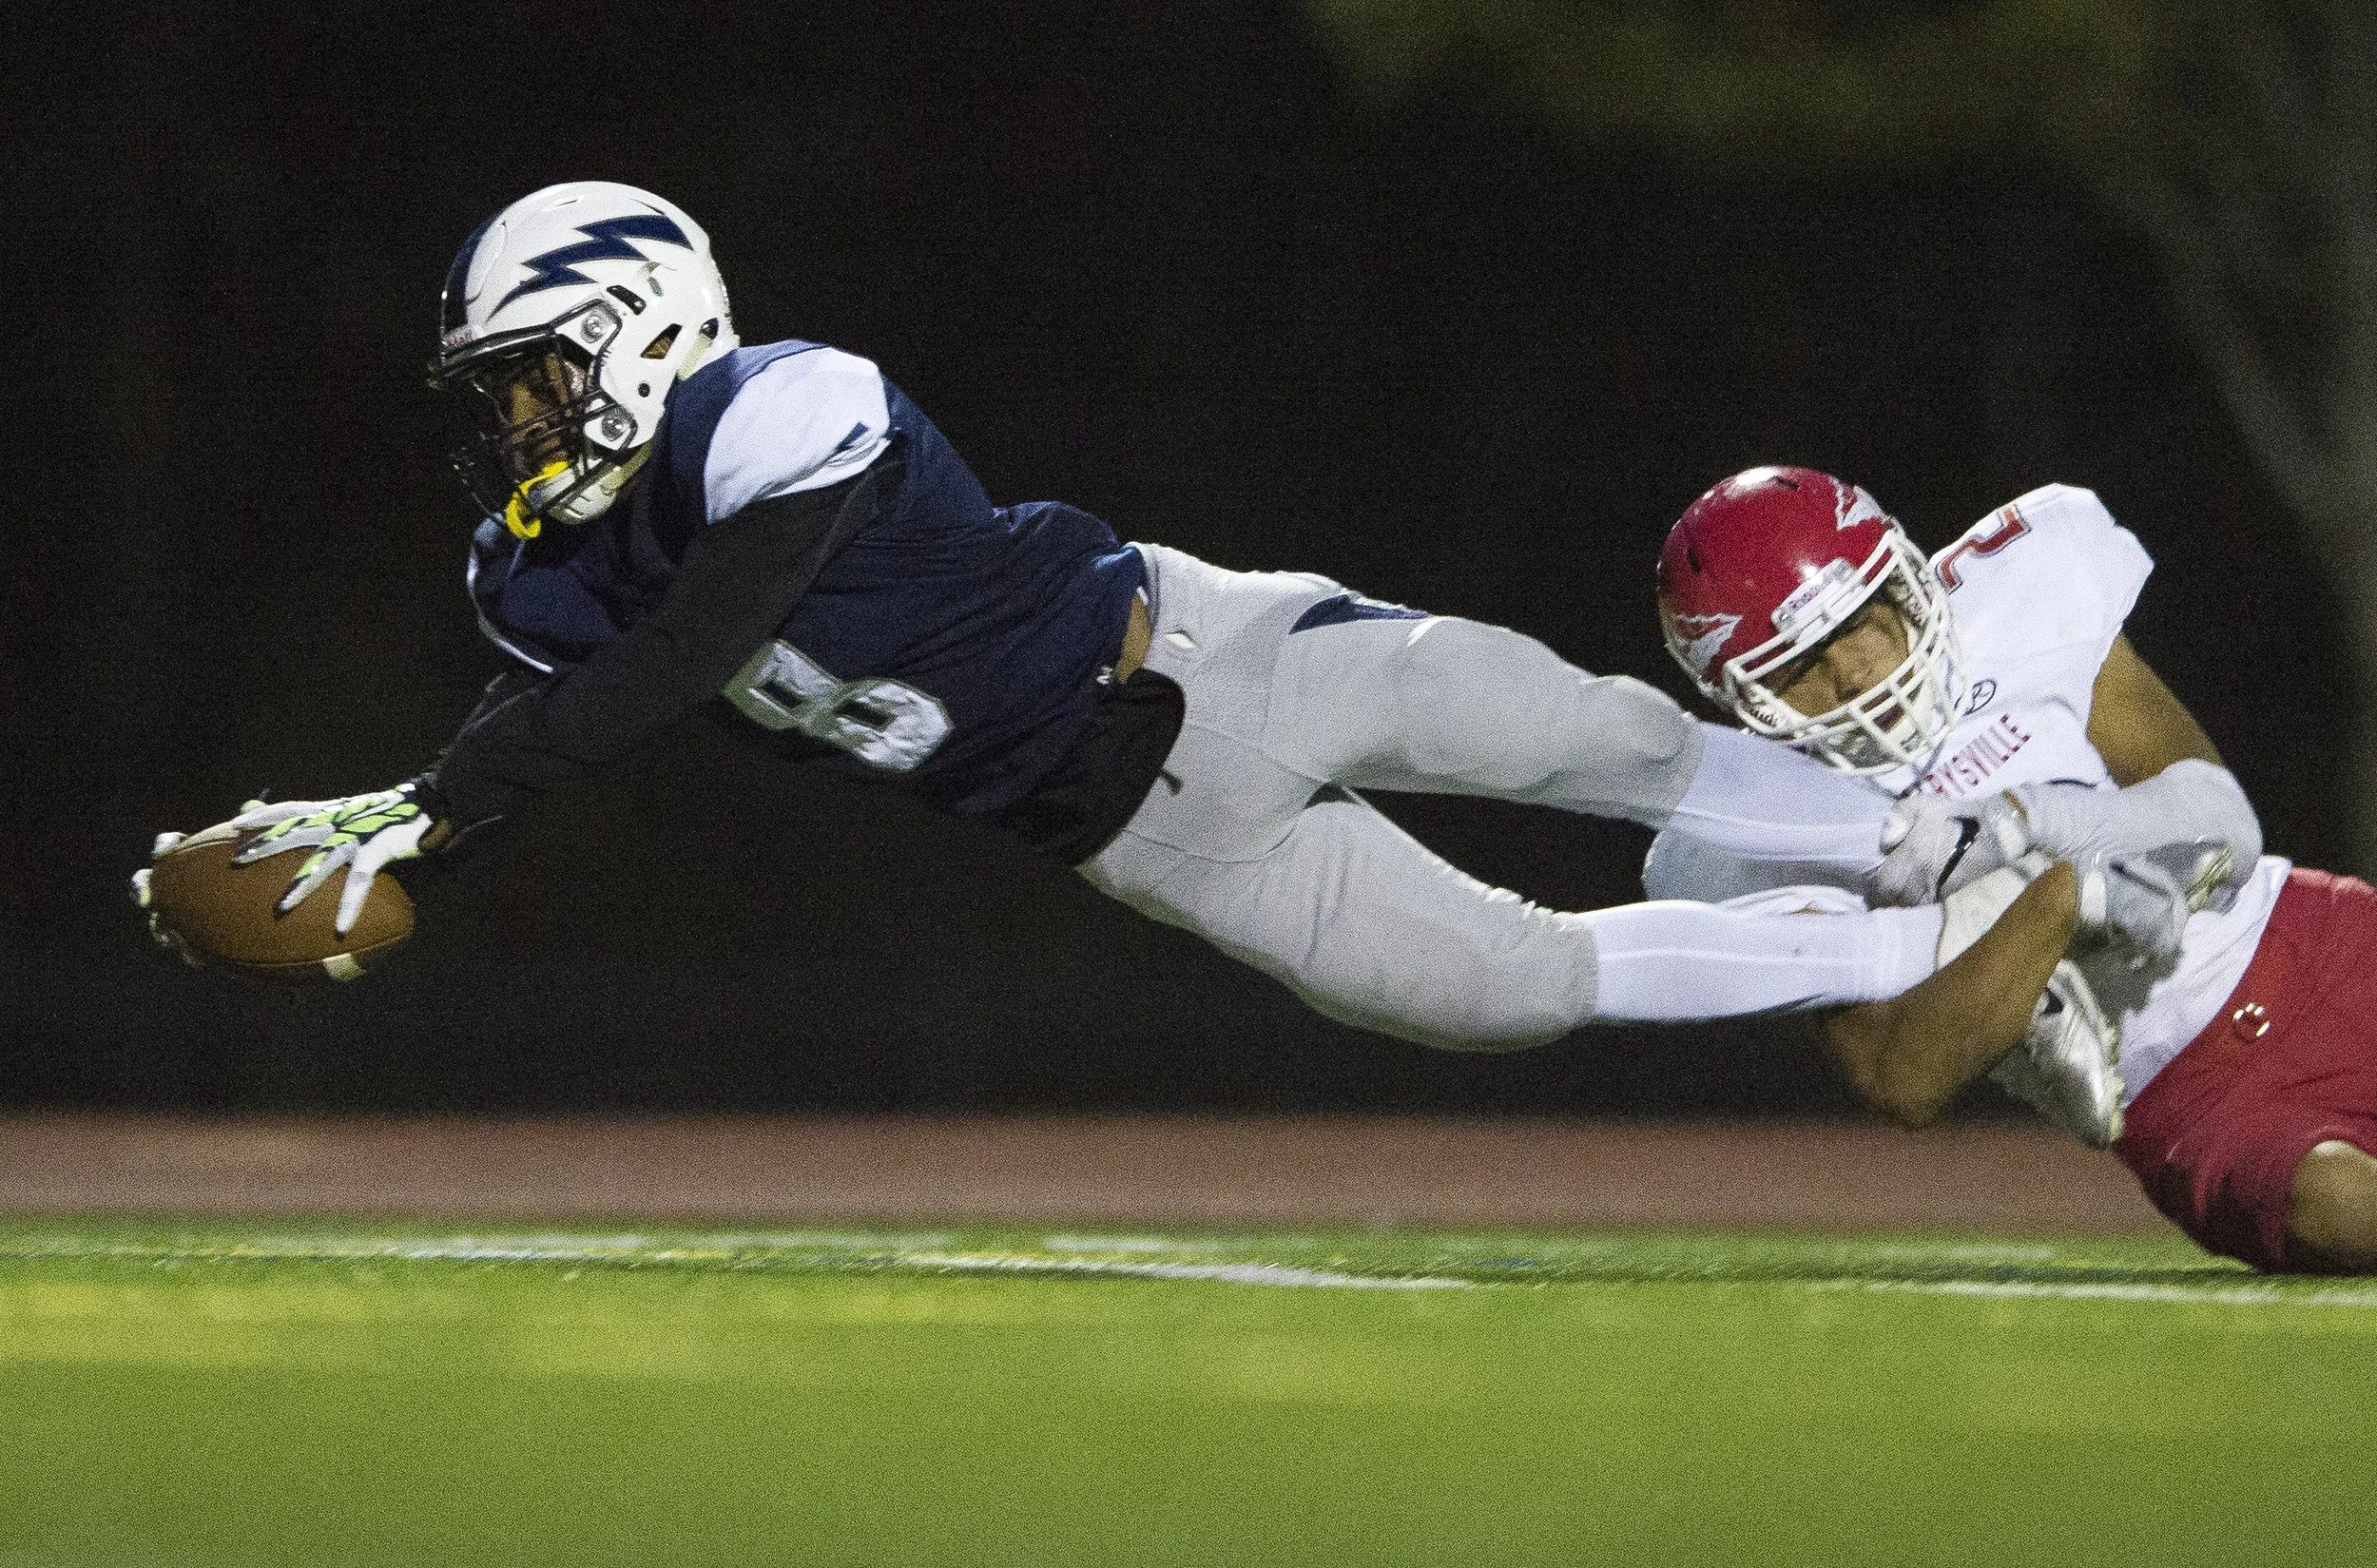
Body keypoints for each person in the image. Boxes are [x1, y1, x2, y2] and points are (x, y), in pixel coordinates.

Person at [132, 183, 2173, 1056]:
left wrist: (430, 801)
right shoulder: (534, 572)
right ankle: (1964, 935)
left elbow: (685, 661)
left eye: (526, 373)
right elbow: (589, 708)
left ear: (636, 327)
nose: (511, 421)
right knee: (1499, 991)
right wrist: (417, 831)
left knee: (1567, 732)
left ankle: (1964, 822)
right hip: (1127, 825)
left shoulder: (783, 403)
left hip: (1208, 647)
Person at [1649, 465, 2377, 1274]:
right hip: (2197, 1101)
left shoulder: (2024, 592)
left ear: (1900, 579)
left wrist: (2025, 827)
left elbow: (2212, 820)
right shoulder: (1747, 830)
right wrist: (2056, 898)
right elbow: (1904, 1076)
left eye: (1856, 622)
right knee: (2345, 1212)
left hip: (2314, 945)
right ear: (1740, 699)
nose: (1852, 672)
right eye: (1798, 668)